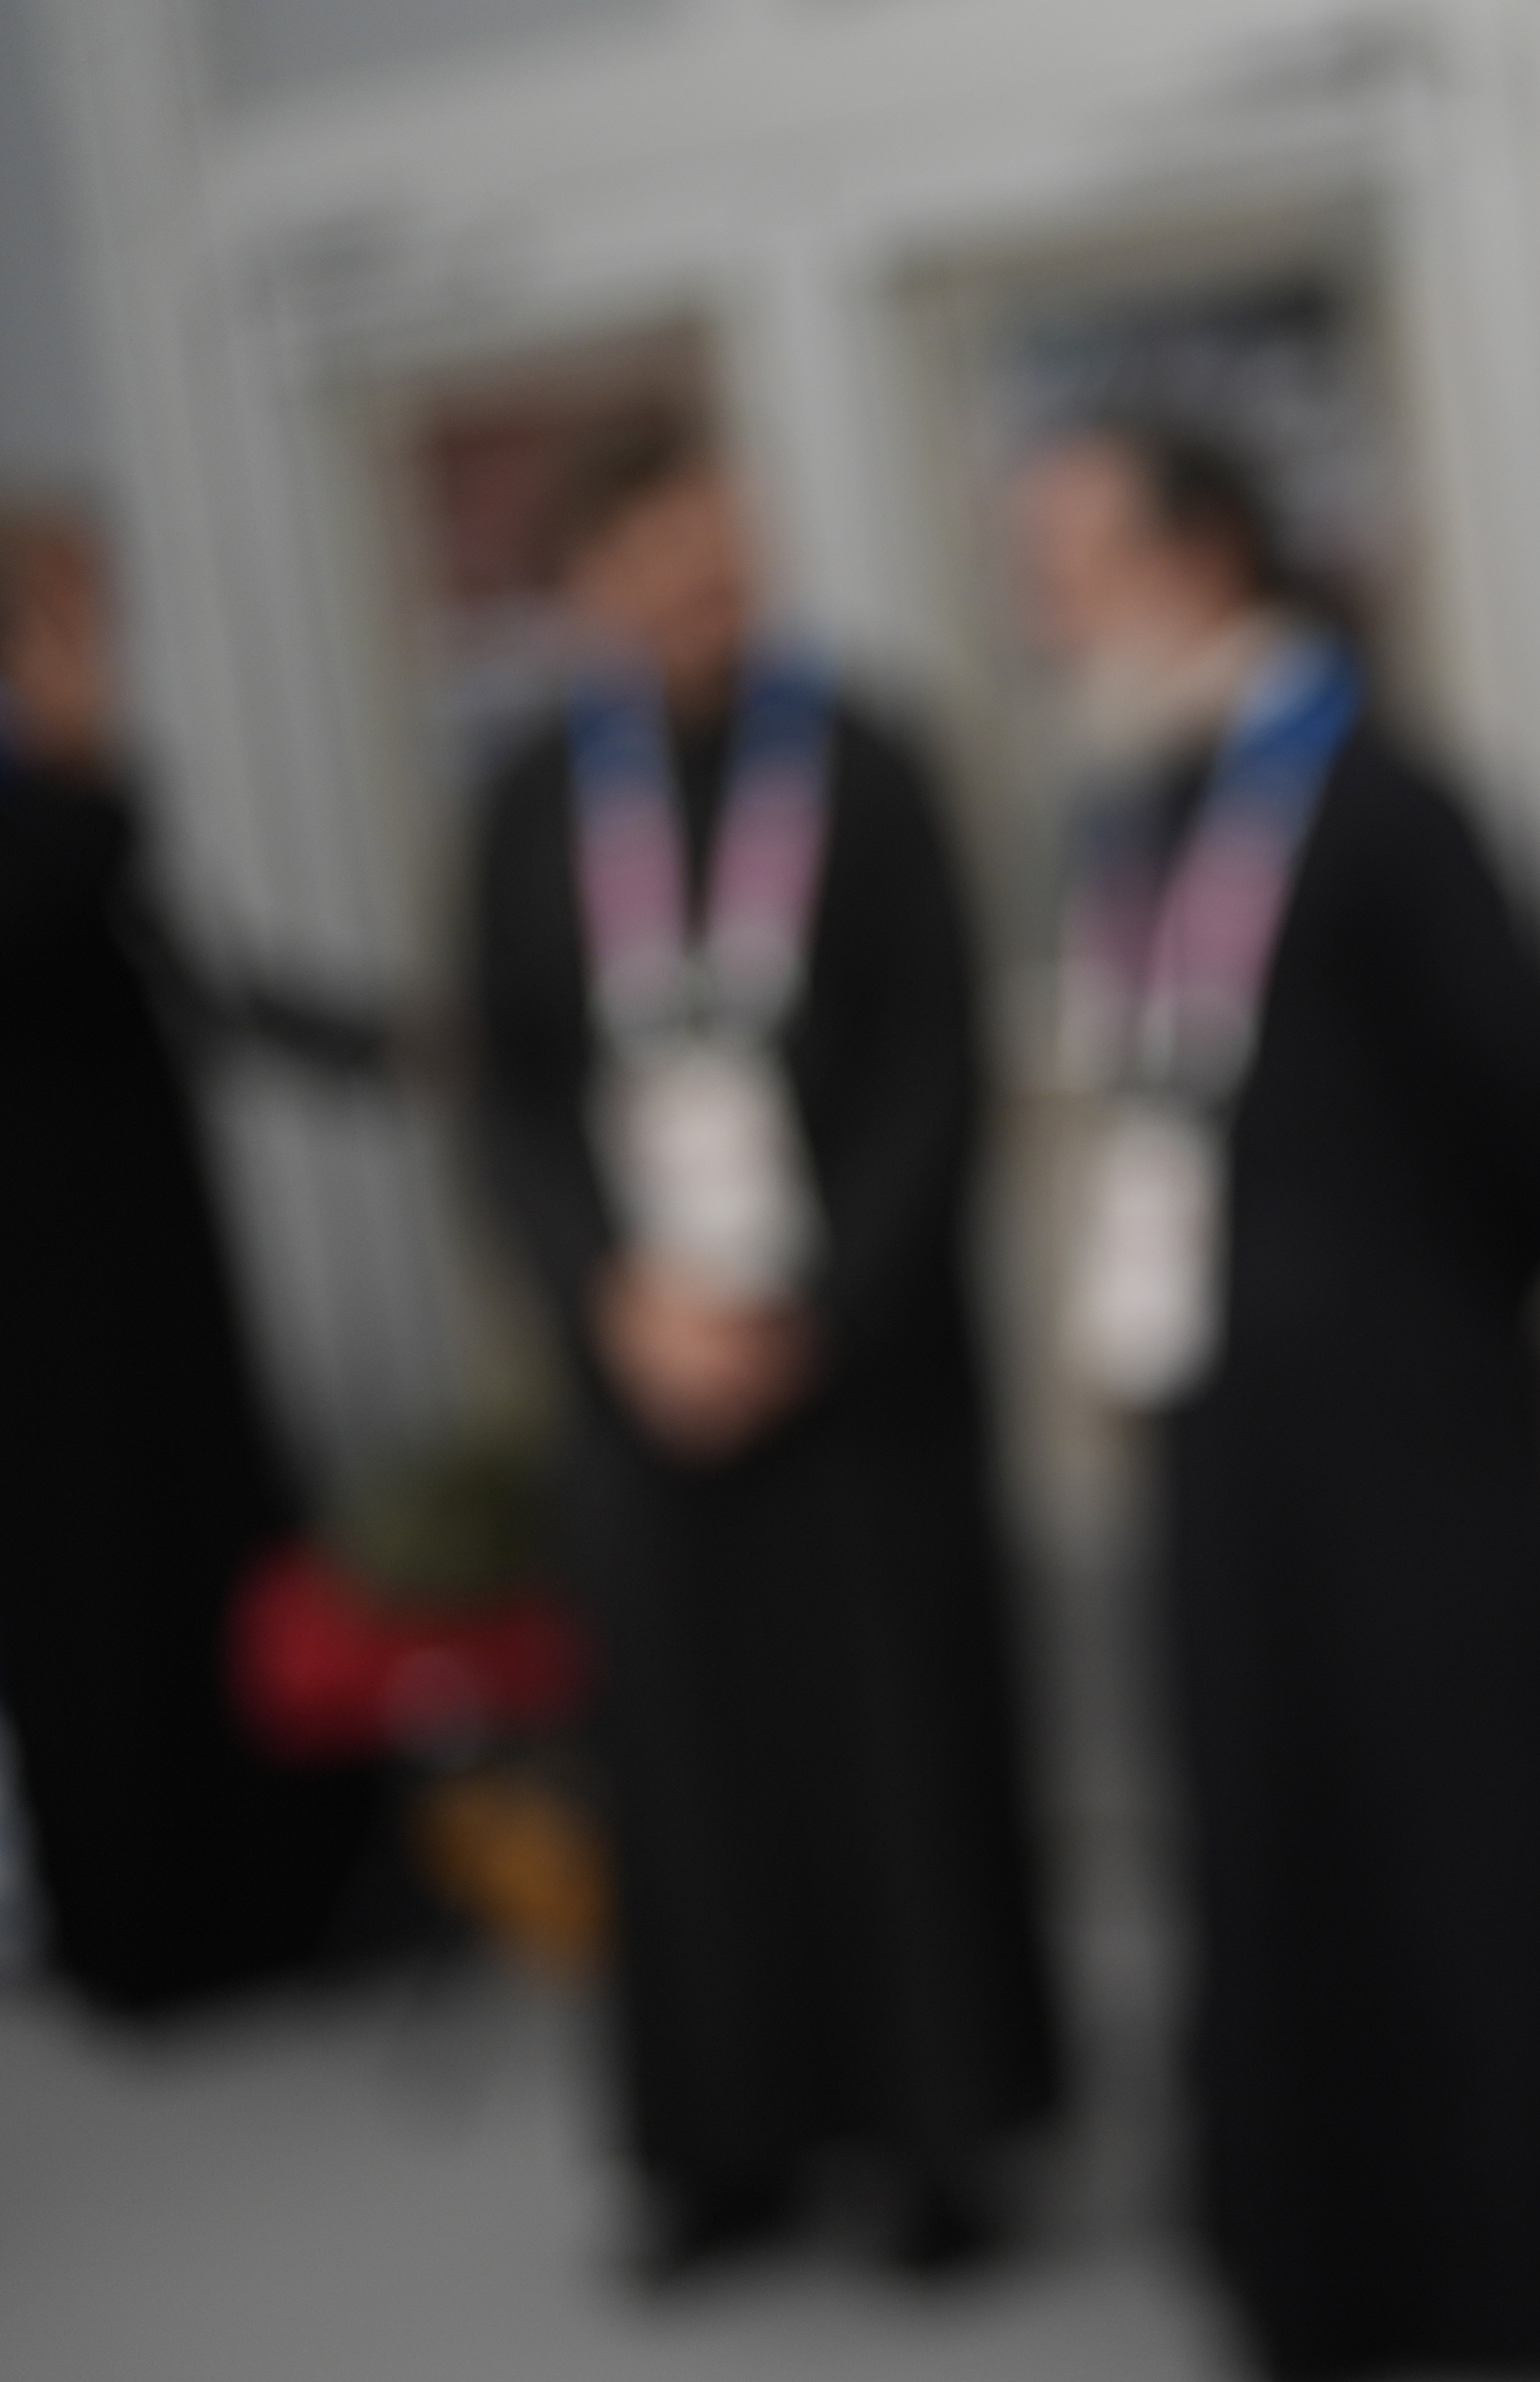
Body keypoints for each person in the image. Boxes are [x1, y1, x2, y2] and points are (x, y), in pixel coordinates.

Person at [1015, 422, 1540, 2377]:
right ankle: (1323, 2242)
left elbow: (1526, 1122)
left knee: (1464, 1816)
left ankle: (1533, 2244)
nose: (1046, 598)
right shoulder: (1127, 816)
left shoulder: (1387, 802)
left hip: (1407, 1428)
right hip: (1225, 1437)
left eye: (1076, 548)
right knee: (1267, 1812)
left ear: (1205, 546)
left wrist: (1394, 1320)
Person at [464, 419, 1061, 2279]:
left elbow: (938, 1062)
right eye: (670, 558)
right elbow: (507, 1088)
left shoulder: (865, 758)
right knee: (686, 1774)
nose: (716, 587)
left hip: (857, 1376)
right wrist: (616, 1302)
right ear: (590, 582)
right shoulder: (530, 797)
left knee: (899, 1759)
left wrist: (812, 1308)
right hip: (644, 1382)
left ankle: (936, 2144)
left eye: (732, 548)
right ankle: (720, 2151)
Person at [0, 507, 383, 2018]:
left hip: (150, 1231)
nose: (103, 635)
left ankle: (273, 1893)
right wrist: (84, 756)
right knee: (89, 1564)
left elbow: (177, 968)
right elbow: (23, 935)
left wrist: (370, 1043)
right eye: (75, 607)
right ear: (9, 619)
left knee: (209, 1531)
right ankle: (144, 1923)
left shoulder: (75, 782)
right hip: (32, 1252)